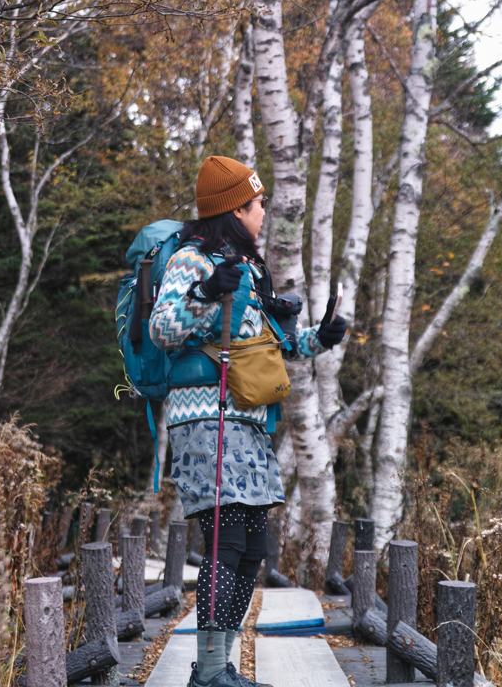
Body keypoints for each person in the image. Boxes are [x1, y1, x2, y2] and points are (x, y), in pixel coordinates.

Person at [150, 156, 347, 687]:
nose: (264, 214)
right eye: (259, 205)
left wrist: (319, 339)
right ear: (236, 209)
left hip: (248, 424)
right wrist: (206, 292)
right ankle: (210, 672)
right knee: (227, 544)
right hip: (206, 423)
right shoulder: (193, 261)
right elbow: (164, 329)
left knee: (251, 549)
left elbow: (268, 349)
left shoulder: (246, 269)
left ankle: (217, 667)